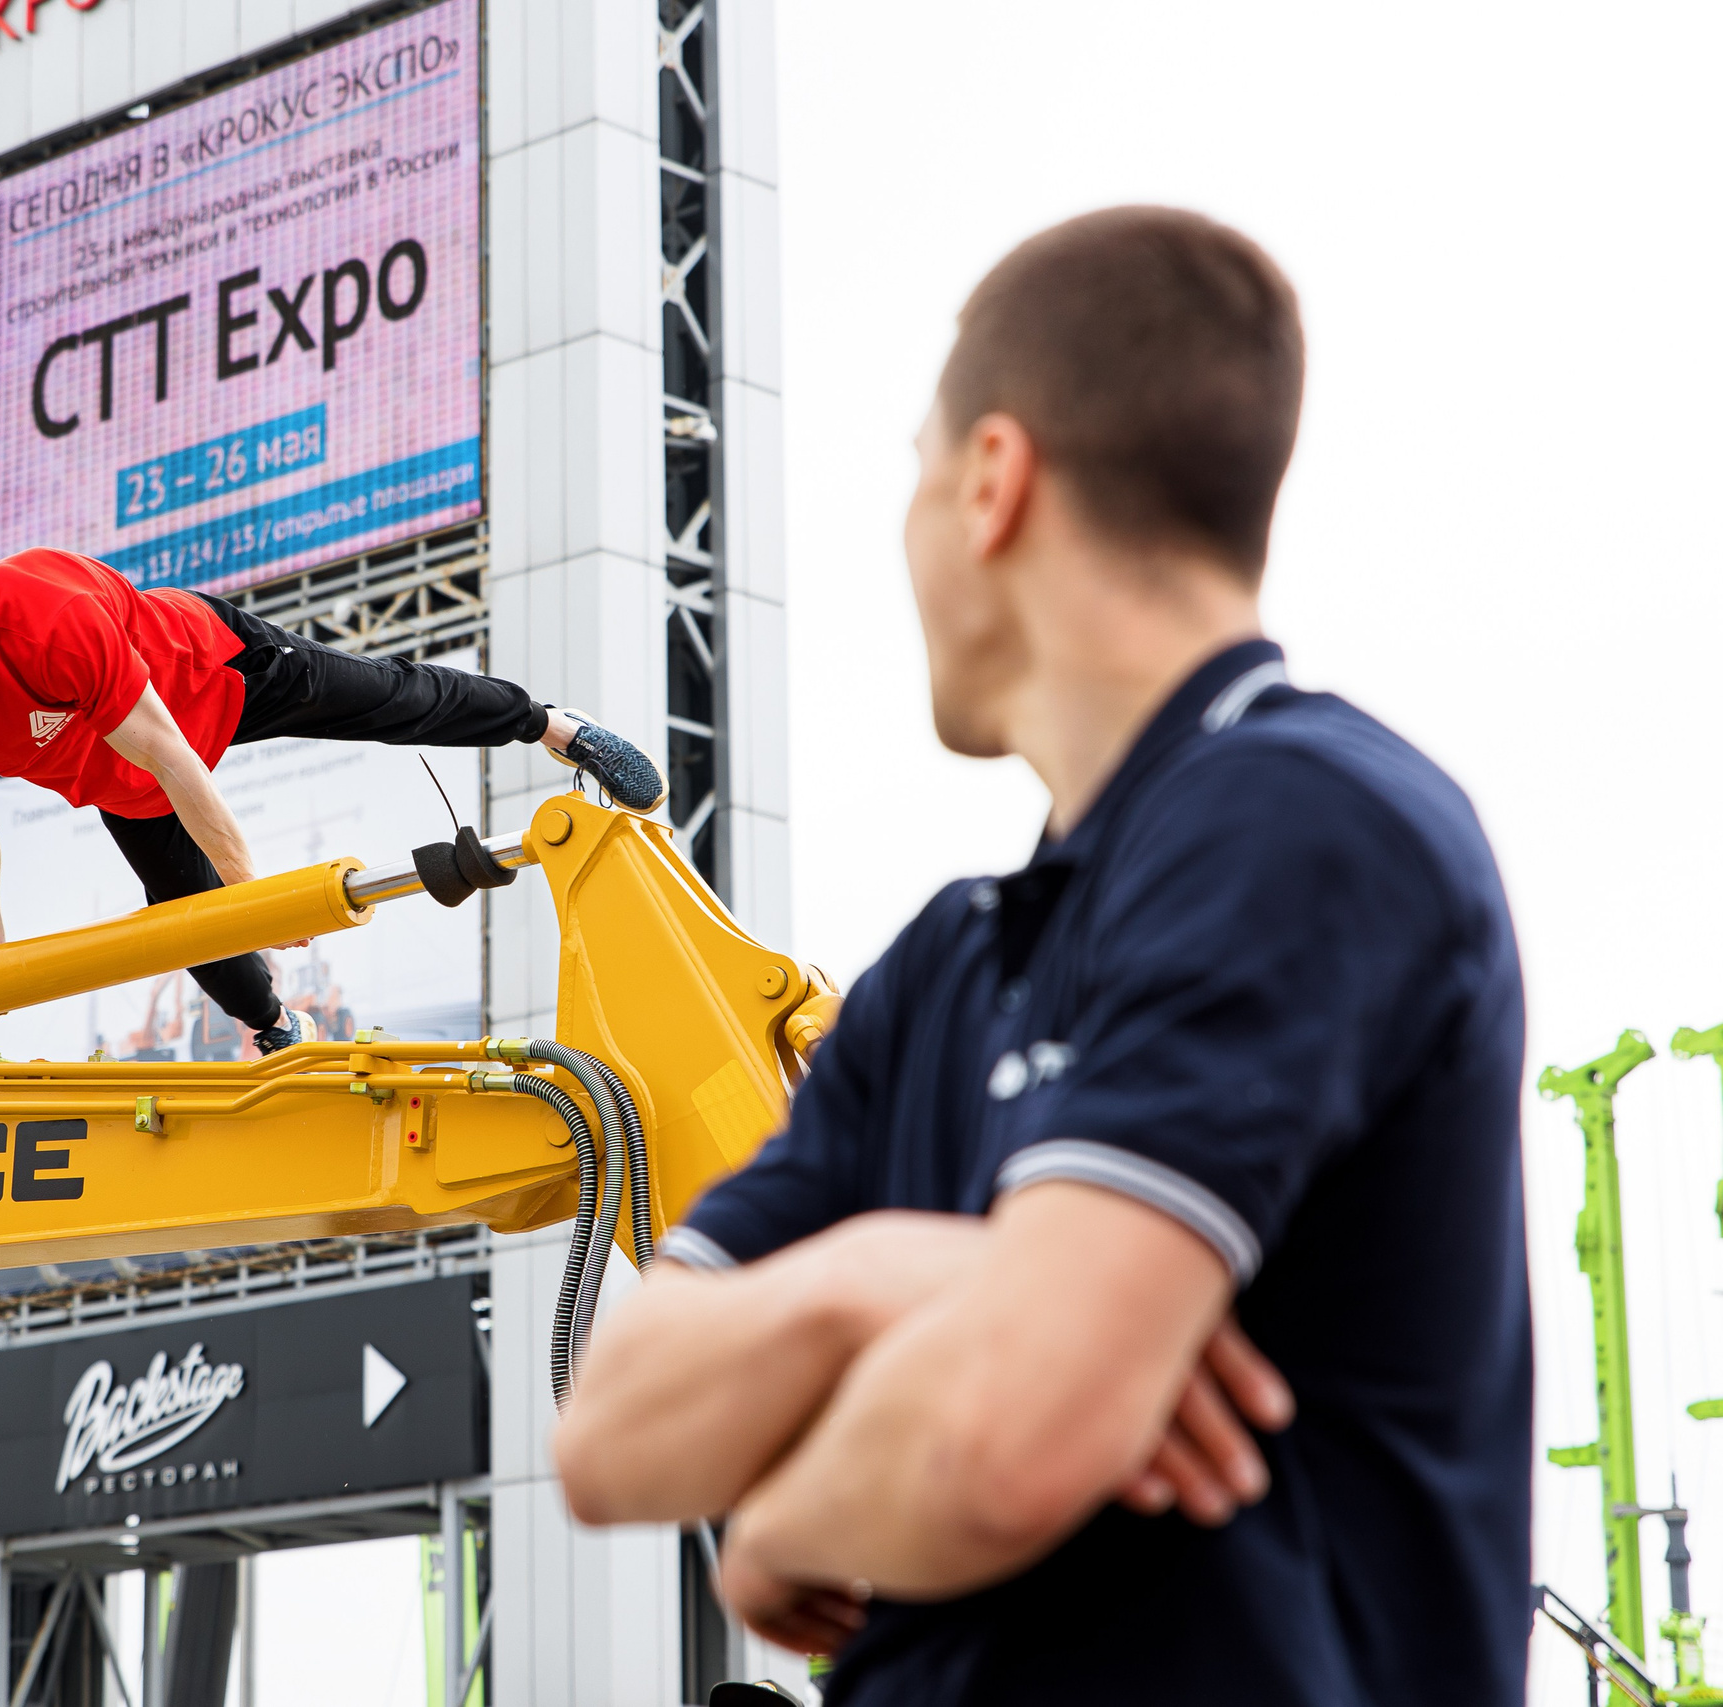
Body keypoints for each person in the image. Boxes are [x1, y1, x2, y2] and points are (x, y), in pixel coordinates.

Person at [553, 207, 1529, 1705]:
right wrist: (901, 1276)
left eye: (916, 472)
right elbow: (612, 1432)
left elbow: (1008, 1433)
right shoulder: (948, 963)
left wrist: (785, 1519)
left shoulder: (1306, 824)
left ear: (992, 482)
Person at [0, 547, 664, 1053]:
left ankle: (553, 726)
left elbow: (172, 753)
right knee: (192, 930)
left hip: (214, 676)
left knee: (390, 700)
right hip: (125, 779)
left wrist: (255, 895)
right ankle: (284, 1030)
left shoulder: (39, 620)